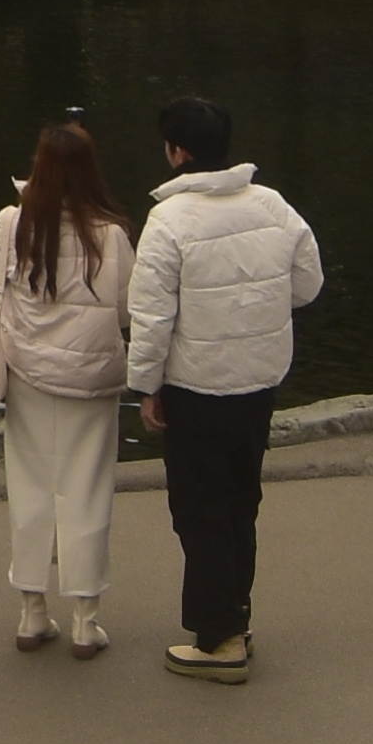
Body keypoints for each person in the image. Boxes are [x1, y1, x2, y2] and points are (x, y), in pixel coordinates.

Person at [125, 95, 319, 683]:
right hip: (258, 379)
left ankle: (219, 638)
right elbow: (307, 284)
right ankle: (236, 614)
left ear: (176, 151)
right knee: (240, 502)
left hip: (197, 384)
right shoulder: (273, 204)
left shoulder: (170, 220)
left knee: (200, 509)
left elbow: (152, 316)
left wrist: (145, 385)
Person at [0, 117, 140, 654]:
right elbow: (127, 307)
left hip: (27, 373)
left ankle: (32, 612)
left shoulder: (13, 222)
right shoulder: (111, 233)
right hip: (91, 379)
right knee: (86, 491)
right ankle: (86, 621)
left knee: (29, 489)